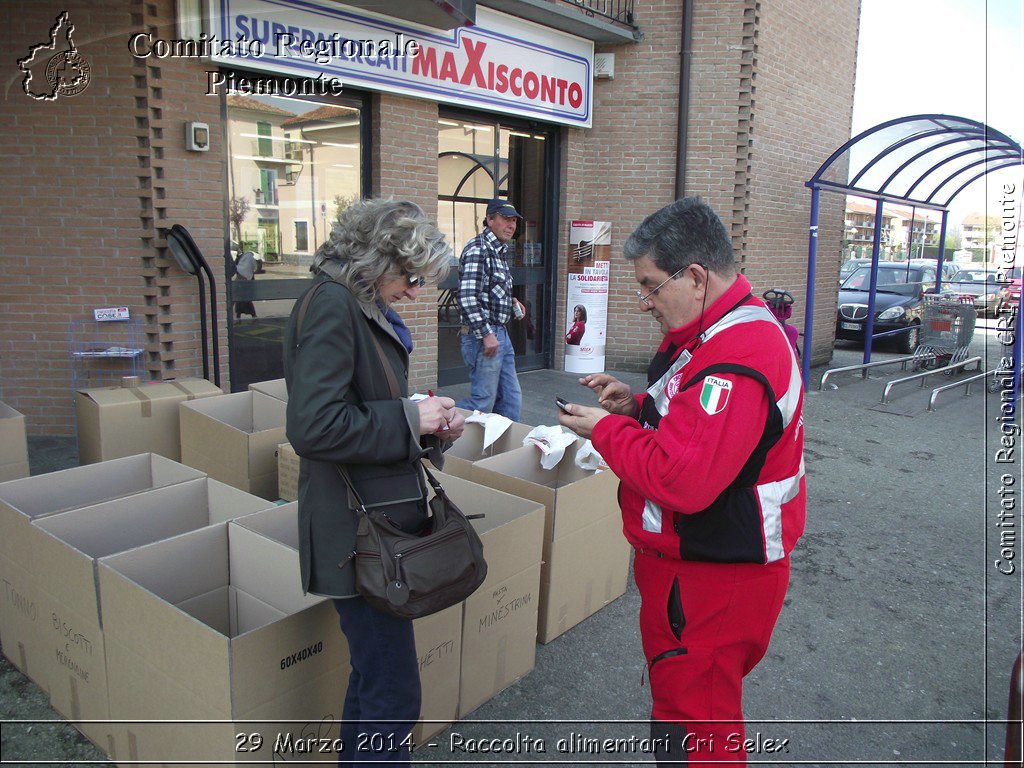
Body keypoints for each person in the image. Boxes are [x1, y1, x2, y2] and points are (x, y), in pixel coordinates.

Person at [557, 197, 805, 766]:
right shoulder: (722, 330)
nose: (644, 303)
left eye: (648, 286)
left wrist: (606, 432)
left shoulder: (740, 352)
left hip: (714, 577)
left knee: (699, 725)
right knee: (688, 710)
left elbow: (682, 476)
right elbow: (697, 423)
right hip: (703, 565)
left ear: (695, 277)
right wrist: (638, 408)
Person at [284, 199, 465, 767]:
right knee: (392, 693)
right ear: (375, 259)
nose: (415, 292)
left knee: (375, 682)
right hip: (357, 535)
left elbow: (355, 408)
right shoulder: (334, 306)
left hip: (367, 527)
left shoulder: (349, 302)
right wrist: (413, 419)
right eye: (410, 278)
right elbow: (314, 427)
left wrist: (427, 422)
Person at [456, 197, 526, 420]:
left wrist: (511, 300)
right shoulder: (478, 249)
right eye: (506, 219)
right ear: (489, 219)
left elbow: (486, 289)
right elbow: (467, 298)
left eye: (514, 220)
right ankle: (436, 423)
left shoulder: (499, 250)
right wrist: (486, 334)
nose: (511, 225)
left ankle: (500, 450)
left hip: (500, 334)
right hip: (483, 336)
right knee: (482, 403)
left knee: (510, 399)